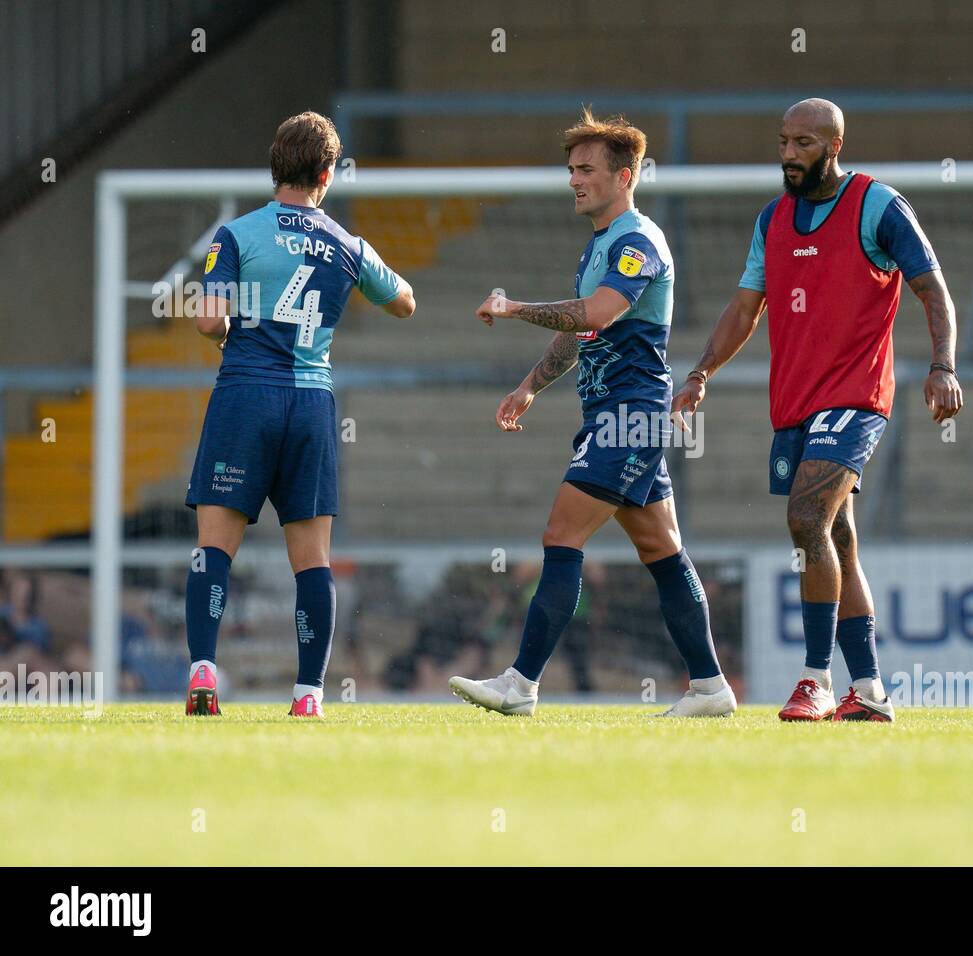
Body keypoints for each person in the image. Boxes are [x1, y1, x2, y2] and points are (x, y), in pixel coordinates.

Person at [672, 97, 963, 722]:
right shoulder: (772, 220)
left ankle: (815, 680)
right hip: (795, 404)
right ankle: (872, 692)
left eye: (802, 143)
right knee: (837, 538)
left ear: (834, 145)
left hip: (856, 397)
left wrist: (943, 366)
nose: (788, 155)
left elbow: (932, 289)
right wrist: (700, 370)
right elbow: (745, 308)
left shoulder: (877, 205)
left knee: (806, 518)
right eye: (782, 142)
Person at [449, 109, 736, 718]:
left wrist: (515, 306)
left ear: (625, 176)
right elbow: (582, 332)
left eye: (587, 169)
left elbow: (598, 313)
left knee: (561, 536)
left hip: (630, 417)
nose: (575, 180)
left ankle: (521, 684)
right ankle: (711, 687)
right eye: (571, 170)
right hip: (618, 415)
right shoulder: (601, 245)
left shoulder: (637, 242)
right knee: (662, 548)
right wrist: (530, 386)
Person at [183, 111, 416, 717]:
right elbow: (405, 303)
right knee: (312, 559)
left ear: (274, 165)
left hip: (245, 397)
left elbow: (210, 321)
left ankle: (205, 670)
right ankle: (309, 695)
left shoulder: (236, 237)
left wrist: (233, 326)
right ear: (327, 172)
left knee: (214, 548)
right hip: (312, 403)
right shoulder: (348, 244)